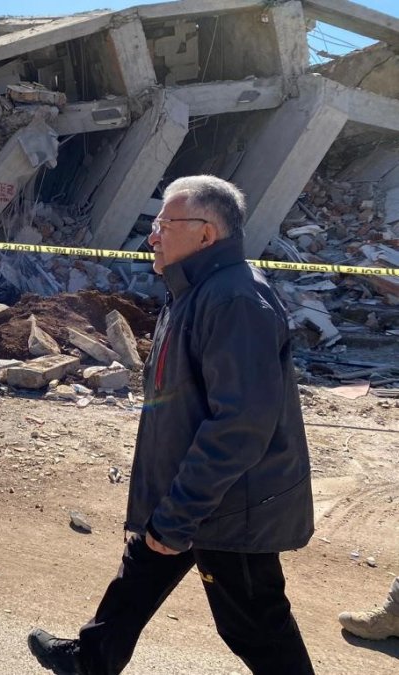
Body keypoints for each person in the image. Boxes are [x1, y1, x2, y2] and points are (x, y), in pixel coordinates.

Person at [28, 175, 316, 675]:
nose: (153, 236)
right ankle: (93, 658)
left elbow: (241, 424)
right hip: (196, 486)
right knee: (143, 564)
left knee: (255, 622)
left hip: (231, 500)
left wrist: (179, 512)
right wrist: (166, 505)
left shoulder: (235, 300)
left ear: (206, 233)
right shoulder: (194, 289)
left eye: (164, 223)